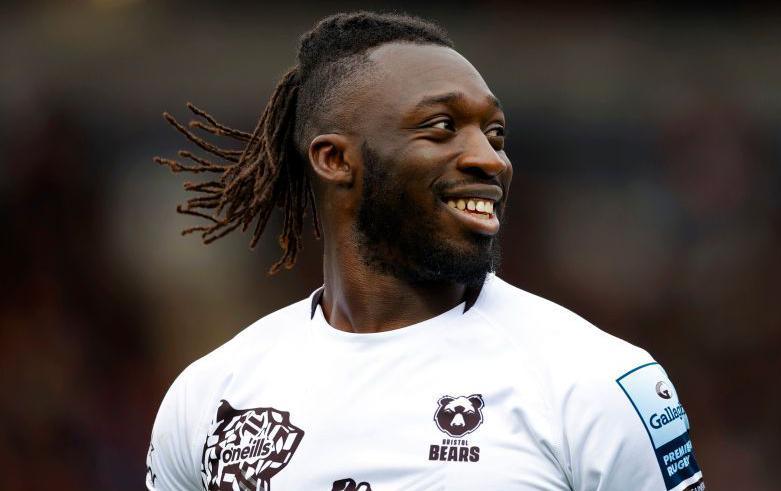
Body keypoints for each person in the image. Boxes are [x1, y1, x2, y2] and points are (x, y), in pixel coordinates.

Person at [148, 11, 704, 491]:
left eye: (495, 134)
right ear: (335, 159)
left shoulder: (598, 385)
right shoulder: (210, 396)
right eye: (442, 127)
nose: (490, 159)